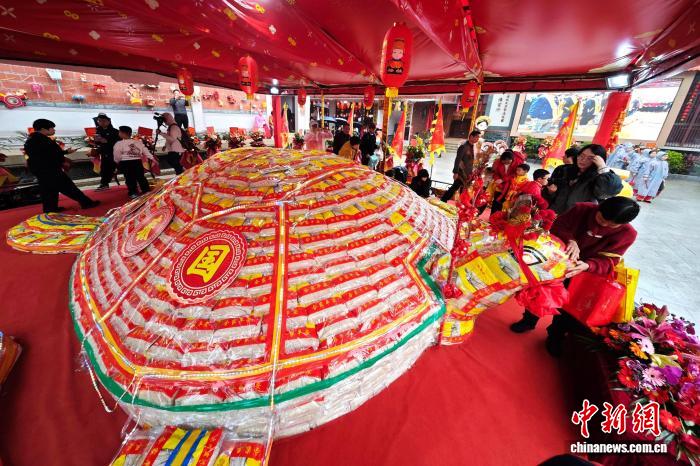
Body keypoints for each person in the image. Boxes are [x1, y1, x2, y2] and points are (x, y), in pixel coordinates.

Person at [510, 196, 639, 338]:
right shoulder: (581, 209)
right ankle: (528, 321)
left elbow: (610, 260)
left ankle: (555, 334)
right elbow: (557, 225)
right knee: (540, 293)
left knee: (568, 305)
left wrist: (588, 265)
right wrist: (570, 240)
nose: (604, 225)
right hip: (556, 260)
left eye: (611, 225)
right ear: (599, 207)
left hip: (583, 271)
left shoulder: (628, 234)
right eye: (601, 219)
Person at [24, 119, 99, 213]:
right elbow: (52, 154)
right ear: (43, 129)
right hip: (50, 169)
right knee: (68, 187)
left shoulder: (31, 140)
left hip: (40, 169)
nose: (54, 130)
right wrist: (64, 157)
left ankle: (50, 209)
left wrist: (65, 152)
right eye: (52, 128)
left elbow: (47, 153)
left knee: (48, 189)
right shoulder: (42, 140)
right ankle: (86, 203)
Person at [545, 144, 622, 215]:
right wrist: (550, 193)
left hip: (578, 219)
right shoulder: (564, 170)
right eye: (582, 155)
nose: (583, 160)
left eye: (590, 158)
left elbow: (607, 192)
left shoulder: (601, 178)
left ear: (598, 161)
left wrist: (603, 168)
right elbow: (550, 190)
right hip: (554, 215)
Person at [113, 126, 154, 199]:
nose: (119, 133)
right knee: (140, 177)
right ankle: (146, 190)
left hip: (125, 163)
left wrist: (117, 162)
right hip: (137, 162)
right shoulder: (137, 142)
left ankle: (133, 192)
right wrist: (152, 158)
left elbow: (117, 155)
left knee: (129, 178)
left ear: (122, 133)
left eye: (119, 132)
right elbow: (145, 151)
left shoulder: (119, 143)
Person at [440, 129, 481, 202]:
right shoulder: (463, 146)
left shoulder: (473, 147)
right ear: (471, 137)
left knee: (462, 189)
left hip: (468, 173)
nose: (478, 139)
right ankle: (443, 199)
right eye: (476, 137)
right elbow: (457, 160)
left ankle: (460, 203)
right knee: (455, 187)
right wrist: (455, 172)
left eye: (478, 137)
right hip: (461, 172)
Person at [93, 112, 120, 190]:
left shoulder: (115, 131)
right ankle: (104, 184)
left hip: (113, 153)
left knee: (111, 168)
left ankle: (104, 183)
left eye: (103, 121)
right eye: (99, 121)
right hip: (104, 152)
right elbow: (98, 143)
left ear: (108, 121)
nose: (101, 122)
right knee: (104, 168)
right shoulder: (99, 130)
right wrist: (96, 141)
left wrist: (107, 141)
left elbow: (119, 142)